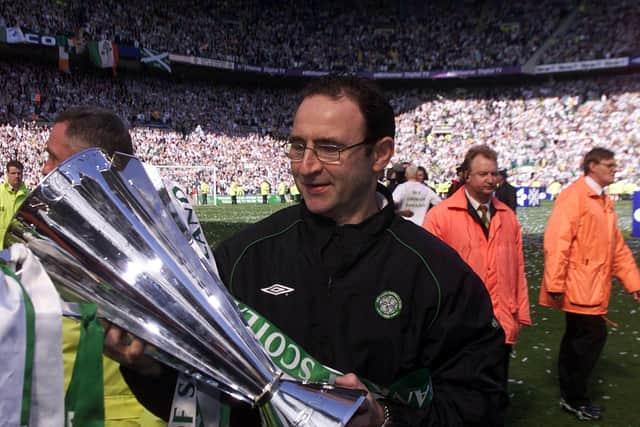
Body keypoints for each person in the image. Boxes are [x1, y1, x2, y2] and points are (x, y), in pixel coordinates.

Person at [107, 76, 506, 426]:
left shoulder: (438, 274)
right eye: (298, 146)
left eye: (329, 148)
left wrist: (385, 419)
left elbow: (480, 405)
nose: (307, 166)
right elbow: (201, 402)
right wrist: (149, 369)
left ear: (380, 154)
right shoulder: (241, 258)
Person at [41, 106, 165, 427]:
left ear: (89, 167)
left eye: (54, 159)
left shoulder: (155, 256)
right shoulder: (48, 236)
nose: (43, 170)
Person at [423, 145, 531, 405]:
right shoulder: (440, 216)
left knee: (496, 389)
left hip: (501, 318)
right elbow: (427, 276)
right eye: (483, 174)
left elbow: (517, 268)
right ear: (466, 176)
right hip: (460, 324)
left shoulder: (508, 217)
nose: (490, 180)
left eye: (494, 174)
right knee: (461, 393)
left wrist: (519, 314)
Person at [539, 147, 640, 421]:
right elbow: (557, 241)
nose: (614, 169)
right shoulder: (576, 197)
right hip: (579, 286)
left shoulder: (600, 200)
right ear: (592, 166)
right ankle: (574, 397)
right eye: (609, 164)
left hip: (590, 285)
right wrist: (556, 283)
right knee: (587, 339)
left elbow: (616, 249)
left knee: (581, 340)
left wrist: (634, 283)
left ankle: (572, 394)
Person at [0, 160, 28, 248]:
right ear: (7, 174)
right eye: (13, 173)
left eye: (19, 173)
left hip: (18, 250)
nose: (17, 176)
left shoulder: (28, 196)